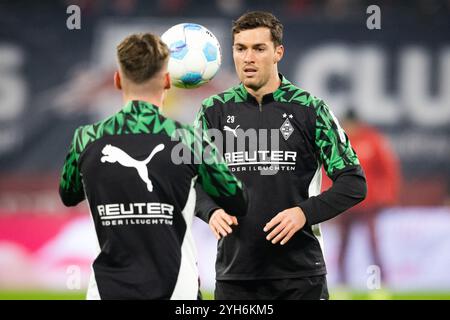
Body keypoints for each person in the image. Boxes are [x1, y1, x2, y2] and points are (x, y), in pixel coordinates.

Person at [59, 33, 247, 300]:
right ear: (168, 81)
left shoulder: (86, 138)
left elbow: (69, 195)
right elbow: (238, 200)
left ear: (117, 80)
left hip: (105, 289)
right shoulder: (189, 140)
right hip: (177, 291)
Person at [194, 11, 367, 300]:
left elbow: (354, 183)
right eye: (241, 48)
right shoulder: (214, 111)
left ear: (278, 53)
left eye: (259, 48)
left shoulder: (310, 109)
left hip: (300, 277)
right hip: (236, 278)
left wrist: (304, 213)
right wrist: (209, 210)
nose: (248, 58)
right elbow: (191, 180)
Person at [334, 109, 401, 288]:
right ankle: (342, 284)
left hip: (368, 203)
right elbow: (327, 171)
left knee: (372, 244)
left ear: (357, 123)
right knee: (343, 245)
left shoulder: (372, 140)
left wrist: (388, 195)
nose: (349, 128)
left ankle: (379, 283)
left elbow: (388, 169)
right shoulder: (339, 141)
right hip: (345, 204)